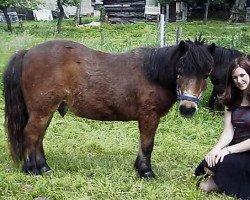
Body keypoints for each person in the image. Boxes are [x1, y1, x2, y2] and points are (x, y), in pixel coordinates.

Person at [194, 57, 250, 200]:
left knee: (205, 186)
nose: (239, 80)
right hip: (235, 148)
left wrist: (228, 150)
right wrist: (216, 149)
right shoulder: (231, 99)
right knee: (208, 163)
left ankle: (221, 181)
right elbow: (228, 132)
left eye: (242, 75)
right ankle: (224, 178)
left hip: (245, 150)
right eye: (235, 77)